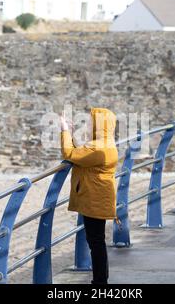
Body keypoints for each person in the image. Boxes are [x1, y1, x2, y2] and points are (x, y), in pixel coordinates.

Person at [60, 108, 118, 284]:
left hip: (95, 199)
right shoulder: (105, 143)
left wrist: (64, 130)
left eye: (92, 121)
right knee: (97, 241)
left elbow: (70, 154)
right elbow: (82, 154)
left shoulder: (98, 147)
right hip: (99, 197)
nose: (89, 124)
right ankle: (101, 279)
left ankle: (100, 281)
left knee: (96, 242)